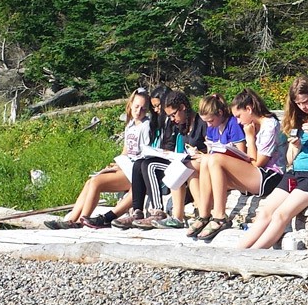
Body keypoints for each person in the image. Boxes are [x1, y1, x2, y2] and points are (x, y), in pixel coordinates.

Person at [237, 76, 308, 249]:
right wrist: (295, 147)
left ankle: (254, 253)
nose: (303, 106)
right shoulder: (297, 117)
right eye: (298, 103)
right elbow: (289, 160)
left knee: (281, 214)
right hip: (295, 172)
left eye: (306, 101)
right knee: (265, 211)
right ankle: (238, 251)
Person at [82, 90, 206, 228]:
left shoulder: (194, 123)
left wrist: (198, 154)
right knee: (141, 164)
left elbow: (206, 146)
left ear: (182, 108)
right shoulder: (179, 123)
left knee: (150, 166)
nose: (170, 117)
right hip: (180, 161)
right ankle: (136, 211)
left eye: (172, 114)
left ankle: (159, 212)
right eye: (154, 107)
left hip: (191, 163)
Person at [189, 89, 285, 240]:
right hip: (255, 175)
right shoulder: (252, 126)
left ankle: (220, 216)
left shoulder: (269, 125)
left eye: (239, 116)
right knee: (208, 160)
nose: (239, 121)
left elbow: (258, 163)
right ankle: (204, 214)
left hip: (270, 177)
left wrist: (250, 138)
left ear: (249, 109)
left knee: (215, 159)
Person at [55, 89, 153, 229]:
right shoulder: (130, 125)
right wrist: (116, 164)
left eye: (143, 108)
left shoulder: (145, 126)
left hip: (134, 170)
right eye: (136, 107)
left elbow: (144, 153)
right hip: (125, 166)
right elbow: (126, 151)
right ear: (131, 105)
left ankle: (83, 219)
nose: (139, 111)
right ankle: (72, 219)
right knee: (90, 182)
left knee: (96, 182)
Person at [159, 94, 245, 231]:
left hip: (229, 170)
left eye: (210, 121)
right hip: (214, 167)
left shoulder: (232, 124)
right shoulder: (212, 127)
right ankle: (193, 214)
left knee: (187, 168)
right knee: (185, 168)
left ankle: (199, 213)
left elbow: (242, 154)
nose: (208, 125)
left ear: (220, 113)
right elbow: (211, 150)